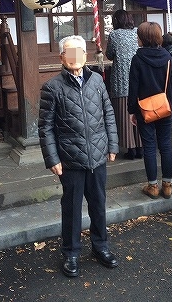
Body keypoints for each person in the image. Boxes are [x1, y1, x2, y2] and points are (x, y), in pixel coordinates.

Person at [38, 35, 119, 278]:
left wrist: (112, 144)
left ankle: (100, 246)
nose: (74, 57)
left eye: (79, 52)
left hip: (97, 156)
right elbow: (46, 127)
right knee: (72, 208)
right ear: (62, 57)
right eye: (69, 52)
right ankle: (71, 252)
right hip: (70, 159)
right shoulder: (52, 87)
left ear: (85, 55)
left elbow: (108, 114)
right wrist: (52, 158)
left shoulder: (97, 81)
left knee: (98, 204)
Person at [128, 21, 172, 199]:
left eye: (138, 36)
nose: (137, 38)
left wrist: (132, 110)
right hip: (165, 107)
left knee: (149, 146)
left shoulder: (138, 59)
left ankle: (153, 186)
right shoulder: (167, 57)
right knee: (165, 145)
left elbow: (133, 87)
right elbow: (171, 84)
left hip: (144, 109)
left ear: (143, 38)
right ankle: (168, 185)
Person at [106, 9, 142, 160]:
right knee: (140, 114)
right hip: (139, 80)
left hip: (121, 81)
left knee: (124, 115)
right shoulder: (137, 32)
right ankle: (141, 147)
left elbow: (109, 55)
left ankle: (130, 149)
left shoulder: (114, 35)